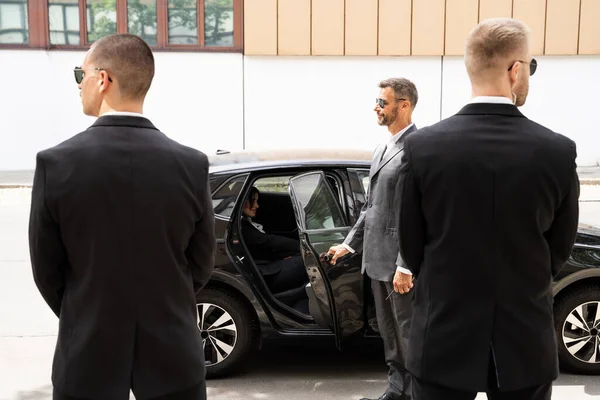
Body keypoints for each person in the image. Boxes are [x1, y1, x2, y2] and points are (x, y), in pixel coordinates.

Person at [397, 18, 579, 400]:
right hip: (525, 339)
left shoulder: (423, 149)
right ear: (515, 71)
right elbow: (559, 247)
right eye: (530, 65)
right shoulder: (556, 151)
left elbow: (411, 245)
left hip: (442, 335)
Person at [28, 33, 216, 400]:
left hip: (86, 357)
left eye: (79, 74)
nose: (79, 85)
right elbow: (200, 263)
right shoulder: (191, 165)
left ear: (102, 79)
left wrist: (86, 313)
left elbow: (47, 272)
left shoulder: (55, 164)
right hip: (173, 356)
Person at [328, 78, 419, 400]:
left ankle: (414, 395)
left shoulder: (417, 147)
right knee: (390, 334)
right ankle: (396, 392)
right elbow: (372, 206)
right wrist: (349, 243)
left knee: (408, 336)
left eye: (383, 102)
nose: (376, 107)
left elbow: (417, 213)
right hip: (377, 259)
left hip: (399, 265)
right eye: (378, 101)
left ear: (404, 105)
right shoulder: (383, 147)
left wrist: (405, 265)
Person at [241, 186, 308, 294]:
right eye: (253, 201)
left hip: (269, 263)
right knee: (311, 261)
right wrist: (304, 246)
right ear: (243, 200)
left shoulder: (246, 222)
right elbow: (268, 241)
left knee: (303, 257)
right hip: (264, 273)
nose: (257, 206)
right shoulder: (242, 228)